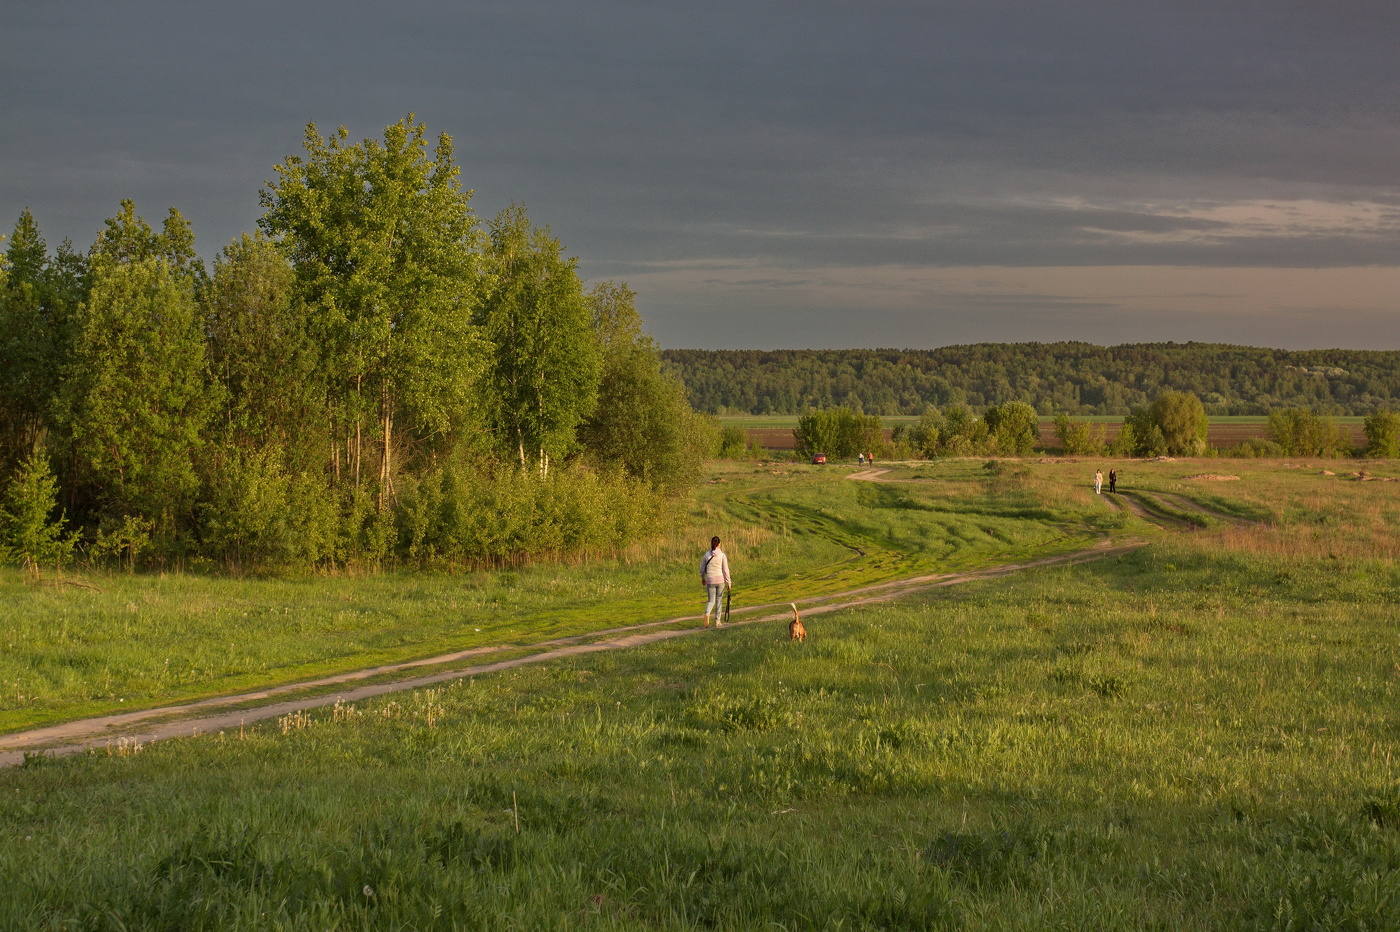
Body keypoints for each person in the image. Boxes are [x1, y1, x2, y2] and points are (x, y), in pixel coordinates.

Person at [700, 536, 731, 627]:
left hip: (710, 580)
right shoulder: (722, 555)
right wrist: (728, 582)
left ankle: (707, 613)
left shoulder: (707, 555)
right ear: (719, 544)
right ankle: (717, 621)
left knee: (711, 601)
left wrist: (703, 578)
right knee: (719, 601)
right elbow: (725, 570)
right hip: (720, 580)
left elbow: (702, 568)